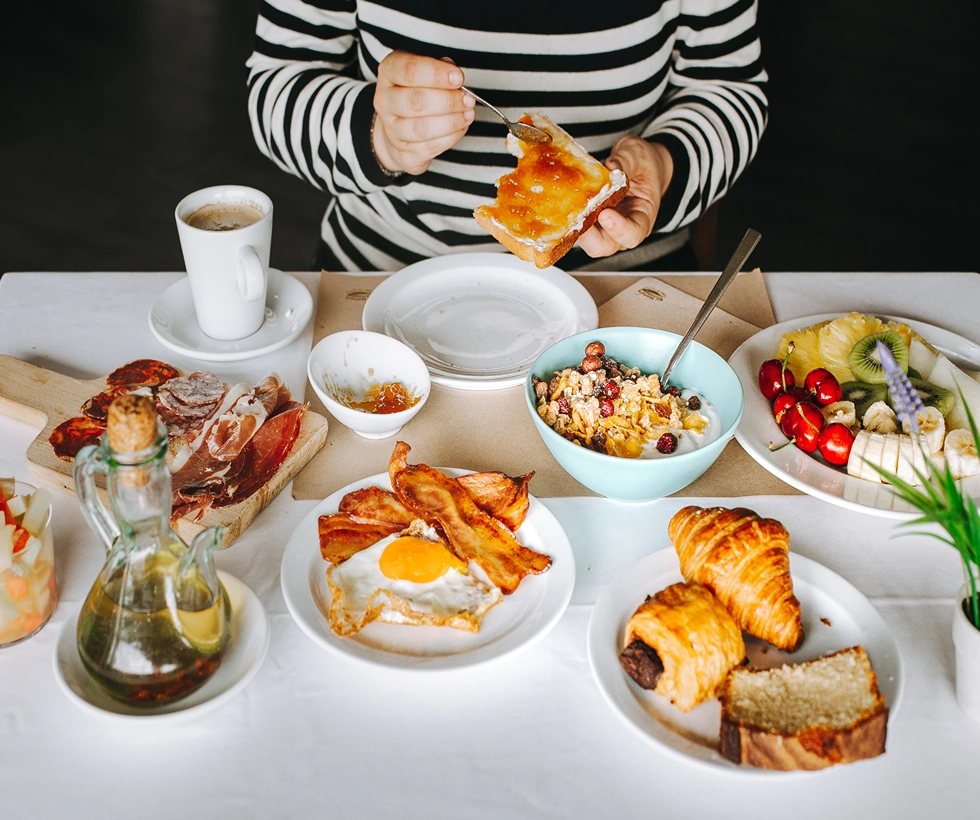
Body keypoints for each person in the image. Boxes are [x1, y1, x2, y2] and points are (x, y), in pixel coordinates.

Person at [246, 2, 767, 272]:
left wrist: (666, 163)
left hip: (630, 288)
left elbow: (729, 88)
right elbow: (276, 85)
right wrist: (378, 137)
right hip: (383, 274)